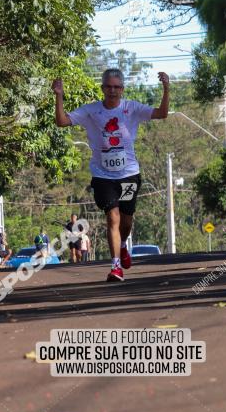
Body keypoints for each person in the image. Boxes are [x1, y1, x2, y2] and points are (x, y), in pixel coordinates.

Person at [52, 68, 169, 282]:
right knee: (112, 217)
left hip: (129, 174)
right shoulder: (91, 111)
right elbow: (61, 121)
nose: (112, 91)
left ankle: (123, 245)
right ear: (102, 88)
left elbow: (161, 114)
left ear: (122, 89)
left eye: (117, 87)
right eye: (108, 86)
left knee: (126, 221)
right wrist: (59, 96)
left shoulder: (131, 108)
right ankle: (115, 267)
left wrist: (166, 88)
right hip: (103, 175)